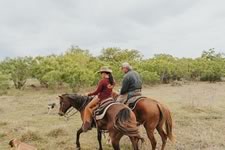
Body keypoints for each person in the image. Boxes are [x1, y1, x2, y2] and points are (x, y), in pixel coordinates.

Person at [82, 66, 115, 132]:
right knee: (94, 107)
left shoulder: (102, 81)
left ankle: (87, 124)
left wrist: (88, 94)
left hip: (101, 98)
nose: (101, 75)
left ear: (104, 73)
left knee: (87, 107)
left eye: (101, 73)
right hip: (110, 97)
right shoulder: (113, 81)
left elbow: (97, 92)